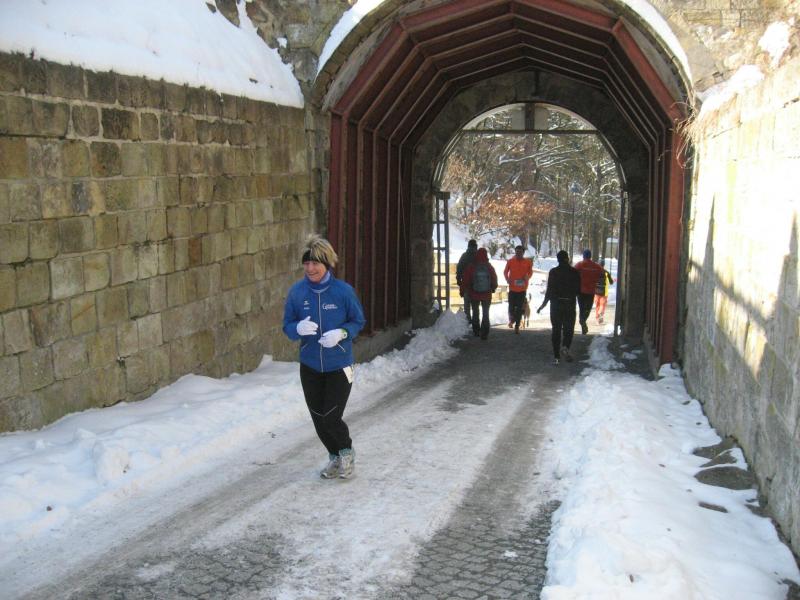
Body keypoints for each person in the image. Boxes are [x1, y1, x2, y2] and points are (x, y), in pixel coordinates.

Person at [283, 235, 366, 480]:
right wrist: (297, 328)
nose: (310, 268)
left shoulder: (343, 292)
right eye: (306, 264)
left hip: (339, 365)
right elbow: (287, 326)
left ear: (327, 264)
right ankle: (334, 457)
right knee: (318, 418)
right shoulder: (297, 293)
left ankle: (346, 452)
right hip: (310, 366)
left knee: (331, 417)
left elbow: (358, 321)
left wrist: (342, 333)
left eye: (315, 263)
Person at [537, 250, 580, 364]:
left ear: (558, 260)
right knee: (568, 329)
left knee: (556, 329)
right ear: (567, 259)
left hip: (556, 305)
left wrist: (543, 304)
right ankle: (565, 346)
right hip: (569, 304)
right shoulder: (574, 272)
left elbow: (549, 290)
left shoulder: (553, 272)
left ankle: (556, 356)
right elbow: (578, 290)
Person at [462, 247, 498, 340]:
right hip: (487, 294)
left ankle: (476, 331)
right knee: (485, 313)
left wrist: (463, 290)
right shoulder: (489, 267)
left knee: (475, 312)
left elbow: (466, 279)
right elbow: (494, 278)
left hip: (474, 294)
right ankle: (485, 332)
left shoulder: (472, 266)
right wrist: (493, 288)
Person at [504, 245, 533, 334]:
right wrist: (507, 279)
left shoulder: (527, 262)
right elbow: (505, 272)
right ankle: (512, 319)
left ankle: (517, 326)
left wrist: (528, 277)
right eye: (517, 252)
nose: (518, 254)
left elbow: (530, 272)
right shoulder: (510, 261)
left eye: (520, 252)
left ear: (523, 253)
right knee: (511, 307)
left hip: (522, 289)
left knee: (520, 308)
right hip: (512, 288)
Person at [574, 249, 604, 334]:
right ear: (590, 256)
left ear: (583, 256)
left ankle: (582, 321)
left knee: (581, 307)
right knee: (588, 308)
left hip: (580, 291)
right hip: (591, 291)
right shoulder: (596, 266)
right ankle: (583, 320)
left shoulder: (579, 265)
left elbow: (572, 273)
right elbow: (602, 273)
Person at [456, 239, 478, 323]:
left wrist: (459, 280)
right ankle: (476, 322)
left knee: (467, 304)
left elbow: (459, 268)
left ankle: (468, 321)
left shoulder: (464, 256)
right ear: (476, 246)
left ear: (468, 246)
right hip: (477, 284)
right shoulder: (478, 256)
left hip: (466, 283)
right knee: (475, 305)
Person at [594, 258, 615, 324]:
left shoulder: (595, 272)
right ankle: (600, 313)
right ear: (604, 265)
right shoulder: (606, 272)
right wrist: (612, 280)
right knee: (602, 305)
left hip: (596, 292)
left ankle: (597, 318)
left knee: (597, 305)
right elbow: (611, 282)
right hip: (604, 292)